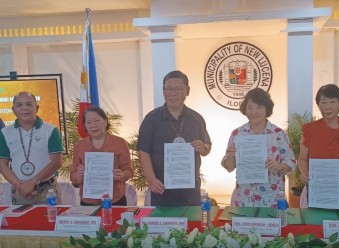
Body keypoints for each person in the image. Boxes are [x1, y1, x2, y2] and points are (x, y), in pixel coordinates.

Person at [137, 70, 211, 206]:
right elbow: (144, 152)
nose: (173, 93)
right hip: (161, 188)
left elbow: (207, 147)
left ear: (187, 91)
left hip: (190, 190)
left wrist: (203, 147)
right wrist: (152, 180)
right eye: (169, 89)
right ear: (163, 91)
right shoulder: (151, 119)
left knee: (192, 225)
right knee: (162, 225)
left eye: (178, 89)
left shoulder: (196, 119)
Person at [221, 88, 296, 207]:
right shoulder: (237, 134)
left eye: (259, 107)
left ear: (267, 109)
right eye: (250, 107)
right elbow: (229, 167)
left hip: (273, 199)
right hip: (243, 199)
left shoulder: (279, 134)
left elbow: (291, 164)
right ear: (245, 109)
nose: (254, 112)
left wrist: (279, 166)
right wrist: (231, 156)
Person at [299, 84, 339, 208]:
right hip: (316, 185)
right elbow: (302, 158)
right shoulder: (309, 130)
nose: (327, 107)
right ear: (318, 104)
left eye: (332, 102)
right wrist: (304, 172)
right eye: (323, 102)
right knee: (315, 223)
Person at [0, 92, 63, 205]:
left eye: (29, 104)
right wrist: (19, 185)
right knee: (21, 223)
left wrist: (33, 182)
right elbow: (2, 163)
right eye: (19, 105)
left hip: (48, 190)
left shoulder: (51, 130)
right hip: (20, 191)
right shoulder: (5, 133)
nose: (24, 108)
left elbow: (56, 162)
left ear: (36, 108)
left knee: (51, 222)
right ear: (13, 109)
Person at [71, 106, 133, 206]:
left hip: (115, 200)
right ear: (85, 126)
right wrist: (78, 176)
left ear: (105, 121)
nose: (93, 125)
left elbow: (129, 171)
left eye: (97, 120)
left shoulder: (120, 143)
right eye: (89, 122)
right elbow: (73, 174)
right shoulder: (80, 146)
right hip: (88, 201)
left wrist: (121, 175)